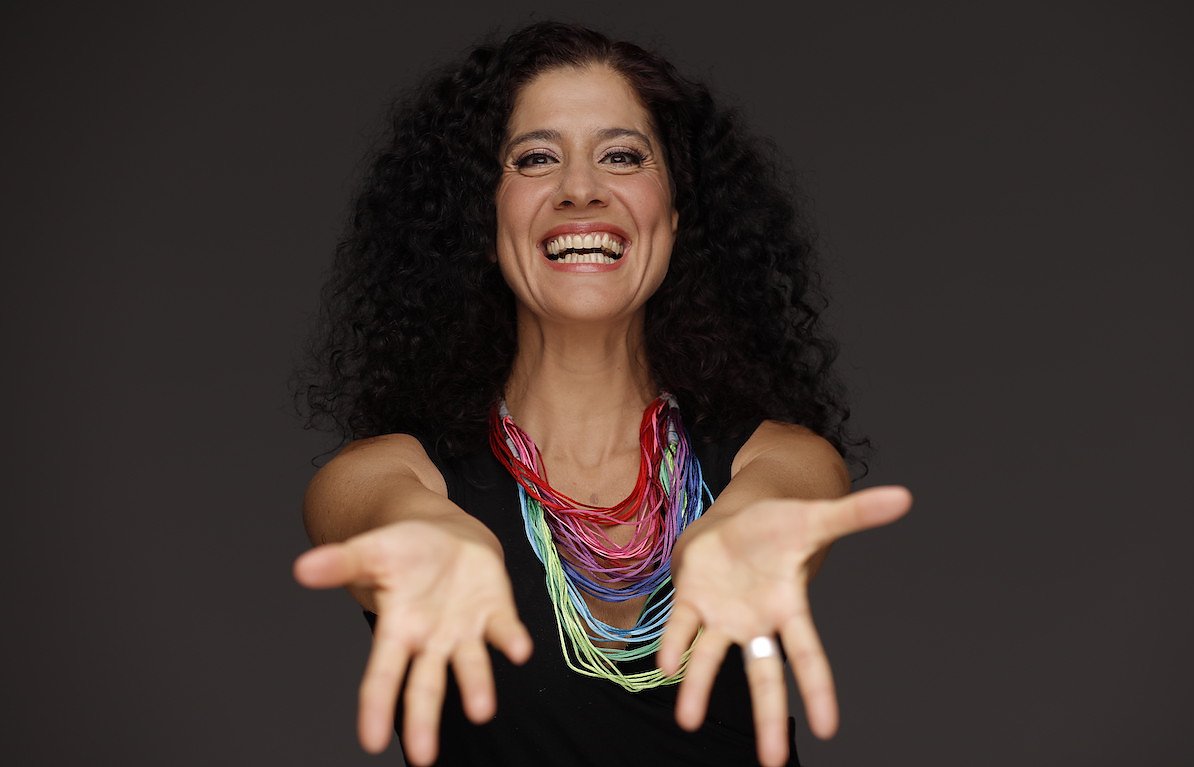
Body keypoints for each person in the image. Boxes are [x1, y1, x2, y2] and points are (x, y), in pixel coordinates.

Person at [290, 20, 912, 767]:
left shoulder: (776, 459)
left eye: (621, 156)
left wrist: (749, 530)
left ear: (674, 214)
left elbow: (788, 490)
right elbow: (369, 506)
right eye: (535, 158)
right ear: (483, 220)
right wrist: (421, 532)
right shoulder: (391, 474)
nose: (581, 189)